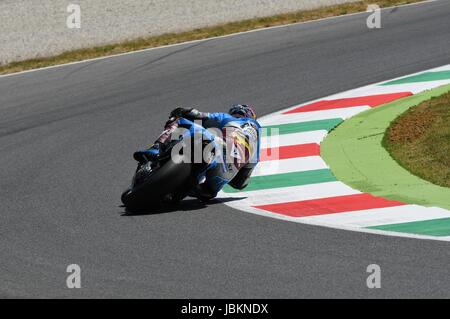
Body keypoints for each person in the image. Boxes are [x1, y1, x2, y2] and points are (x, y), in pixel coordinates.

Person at [133, 104, 261, 201]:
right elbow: (239, 183)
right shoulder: (256, 145)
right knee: (203, 190)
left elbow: (198, 115)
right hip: (216, 182)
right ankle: (179, 189)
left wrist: (182, 111)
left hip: (217, 147)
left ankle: (155, 148)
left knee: (180, 121)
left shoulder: (228, 118)